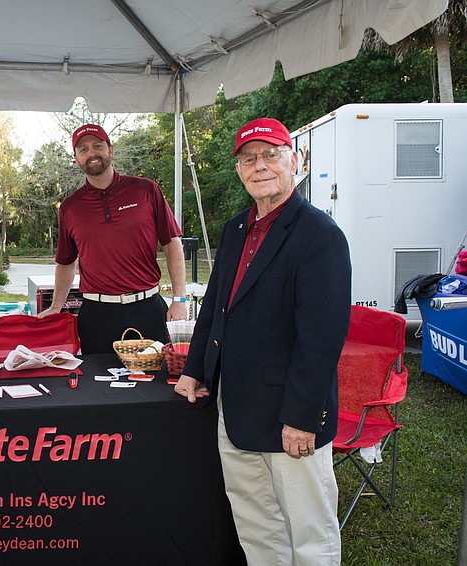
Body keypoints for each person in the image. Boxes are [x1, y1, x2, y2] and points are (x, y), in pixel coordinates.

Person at [174, 117, 351, 564]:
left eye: (271, 154)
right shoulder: (236, 229)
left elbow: (322, 339)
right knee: (257, 527)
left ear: (295, 160)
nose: (260, 166)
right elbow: (214, 309)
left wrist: (303, 417)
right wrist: (195, 370)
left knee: (310, 533)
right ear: (239, 170)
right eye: (249, 159)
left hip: (290, 415)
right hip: (236, 408)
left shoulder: (320, 235)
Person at [37, 123, 187, 354]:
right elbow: (66, 261)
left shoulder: (146, 190)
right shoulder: (70, 207)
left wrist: (179, 299)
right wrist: (56, 306)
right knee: (98, 388)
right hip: (97, 315)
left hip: (147, 308)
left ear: (110, 149)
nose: (91, 153)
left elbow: (172, 243)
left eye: (98, 146)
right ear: (76, 159)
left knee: (155, 384)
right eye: (83, 149)